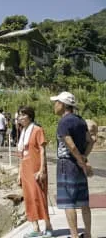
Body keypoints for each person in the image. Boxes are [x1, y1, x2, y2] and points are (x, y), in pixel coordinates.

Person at [50, 91, 95, 238]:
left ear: (62, 105)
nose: (54, 105)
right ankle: (88, 234)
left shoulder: (64, 122)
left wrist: (80, 160)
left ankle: (74, 235)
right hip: (79, 166)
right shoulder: (80, 120)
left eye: (56, 102)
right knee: (83, 202)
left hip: (67, 165)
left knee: (69, 202)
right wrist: (83, 158)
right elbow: (90, 141)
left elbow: (71, 145)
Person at [17, 106, 53, 238]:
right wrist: (19, 173)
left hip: (36, 166)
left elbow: (42, 150)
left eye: (23, 115)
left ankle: (48, 226)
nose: (20, 117)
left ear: (30, 116)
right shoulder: (23, 131)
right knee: (29, 197)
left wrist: (41, 169)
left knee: (40, 196)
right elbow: (21, 154)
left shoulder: (37, 130)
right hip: (25, 167)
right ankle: (35, 227)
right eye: (19, 115)